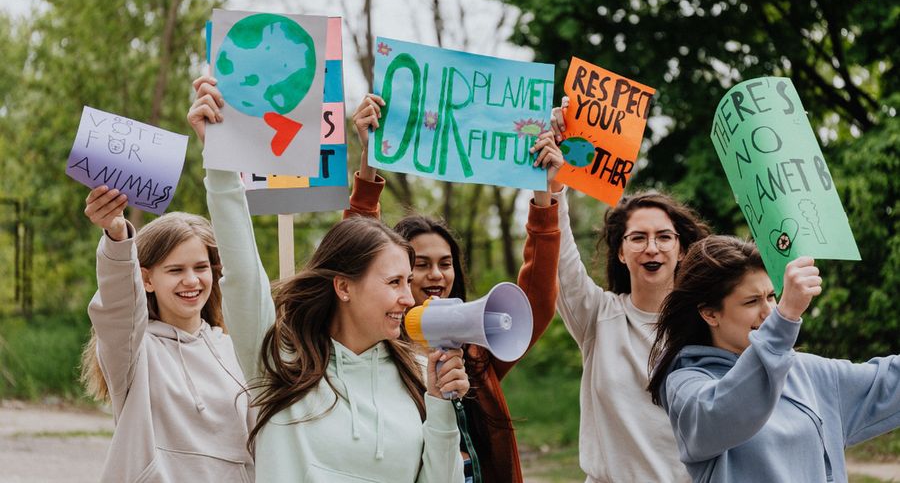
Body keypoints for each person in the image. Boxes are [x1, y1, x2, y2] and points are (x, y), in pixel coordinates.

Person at [188, 76, 468, 482]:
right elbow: (244, 272)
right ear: (343, 286)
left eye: (408, 282)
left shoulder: (419, 376)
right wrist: (220, 161)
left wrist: (441, 404)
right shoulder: (278, 362)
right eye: (394, 283)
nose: (409, 297)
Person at [349, 93, 562, 483]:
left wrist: (543, 194)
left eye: (445, 264)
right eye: (420, 265)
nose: (436, 275)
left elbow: (535, 301)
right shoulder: (374, 347)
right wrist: (369, 159)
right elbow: (358, 251)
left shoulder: (477, 350)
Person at [547, 99, 710, 482]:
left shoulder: (709, 322)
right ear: (621, 251)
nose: (651, 248)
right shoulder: (596, 316)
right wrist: (554, 186)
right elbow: (558, 254)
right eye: (638, 238)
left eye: (663, 237)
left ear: (681, 248)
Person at [647, 236, 900, 482]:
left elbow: (888, 382)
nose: (769, 311)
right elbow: (726, 411)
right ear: (710, 314)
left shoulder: (805, 371)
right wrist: (785, 316)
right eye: (751, 301)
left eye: (771, 296)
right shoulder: (685, 384)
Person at [79, 186, 254, 483]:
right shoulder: (134, 352)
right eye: (175, 270)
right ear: (146, 279)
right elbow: (119, 307)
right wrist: (118, 237)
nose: (191, 280)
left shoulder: (236, 350)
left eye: (201, 267)